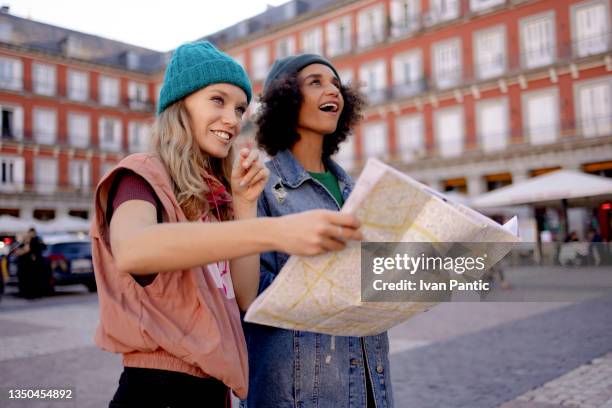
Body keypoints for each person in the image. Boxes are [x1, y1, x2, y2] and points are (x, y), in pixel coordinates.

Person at [91, 42, 363, 408]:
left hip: (212, 391)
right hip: (156, 390)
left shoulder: (218, 198)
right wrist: (277, 231)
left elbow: (245, 297)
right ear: (180, 105)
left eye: (239, 108)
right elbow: (133, 249)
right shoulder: (141, 174)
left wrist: (245, 205)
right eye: (217, 101)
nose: (233, 119)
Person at [242, 54, 393, 408]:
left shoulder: (358, 191)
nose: (333, 91)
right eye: (316, 82)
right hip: (301, 393)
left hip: (372, 384)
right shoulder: (258, 188)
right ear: (286, 100)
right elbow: (252, 298)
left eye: (336, 84)